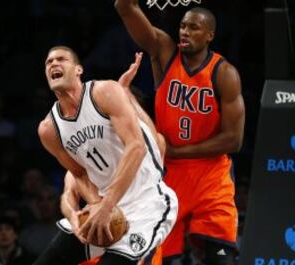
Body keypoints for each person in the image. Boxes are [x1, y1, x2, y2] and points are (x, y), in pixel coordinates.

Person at [115, 2, 245, 264]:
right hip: (169, 174)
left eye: (194, 27)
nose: (184, 32)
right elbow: (124, 8)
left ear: (209, 35)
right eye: (183, 26)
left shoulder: (224, 73)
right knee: (160, 258)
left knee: (222, 258)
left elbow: (234, 139)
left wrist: (178, 151)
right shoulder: (164, 51)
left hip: (211, 175)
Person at [35, 46, 178, 265]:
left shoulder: (104, 92)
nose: (53, 64)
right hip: (105, 207)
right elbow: (79, 175)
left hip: (147, 204)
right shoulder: (49, 129)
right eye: (48, 62)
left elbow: (137, 146)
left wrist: (107, 205)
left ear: (78, 70)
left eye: (61, 59)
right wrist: (94, 206)